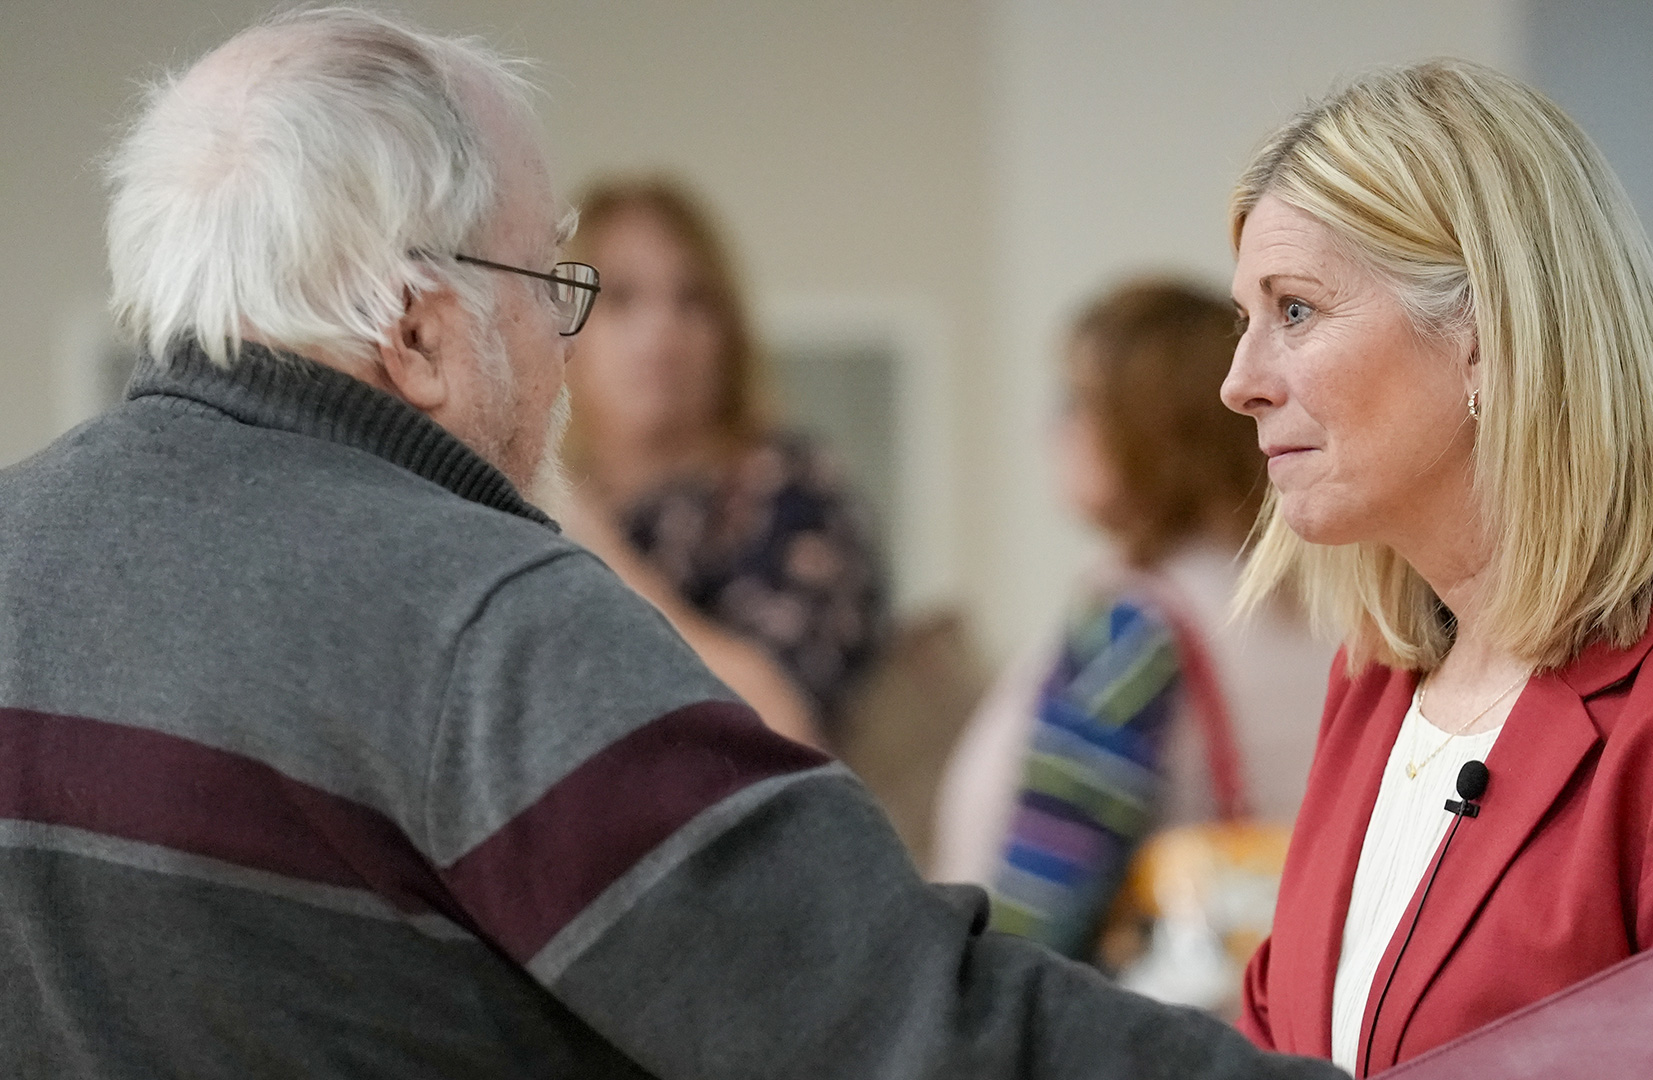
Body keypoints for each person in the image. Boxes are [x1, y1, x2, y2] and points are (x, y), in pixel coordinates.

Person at [0, 10, 1353, 1080]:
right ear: (416, 331)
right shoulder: (484, 620)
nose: (568, 347)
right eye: (552, 286)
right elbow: (902, 1029)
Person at [1219, 59, 1653, 1080]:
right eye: (1247, 318)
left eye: (1297, 311)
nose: (1240, 383)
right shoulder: (1373, 693)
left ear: (1488, 339)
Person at [933, 279, 1332, 964]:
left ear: (1155, 424)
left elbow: (1038, 912)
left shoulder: (1132, 628)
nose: (1052, 428)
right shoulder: (1328, 598)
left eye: (1078, 401)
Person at [551, 176, 886, 750]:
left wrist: (595, 547)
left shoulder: (786, 490)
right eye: (622, 298)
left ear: (728, 332)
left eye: (693, 301)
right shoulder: (537, 498)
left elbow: (783, 730)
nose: (661, 333)